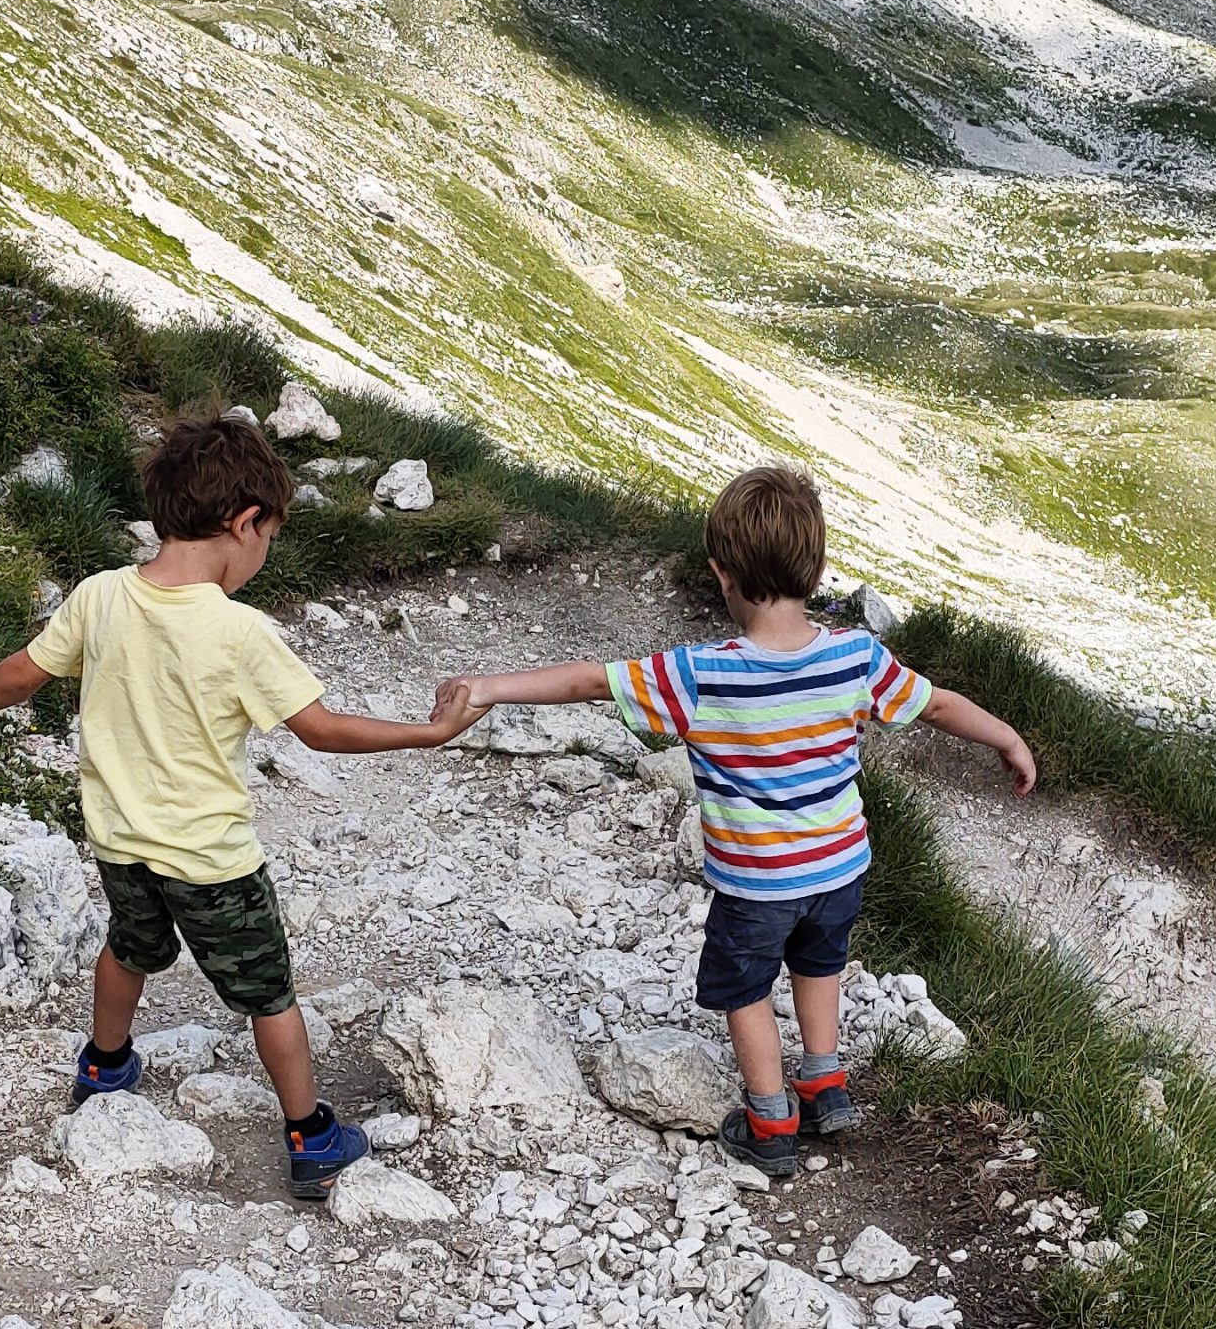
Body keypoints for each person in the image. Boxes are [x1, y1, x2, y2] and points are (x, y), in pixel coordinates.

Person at [433, 462, 1036, 1179]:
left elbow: (591, 679)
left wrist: (491, 688)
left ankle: (770, 1119)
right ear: (816, 571)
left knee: (746, 990)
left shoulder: (700, 672)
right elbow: (935, 704)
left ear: (721, 572)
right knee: (821, 963)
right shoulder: (856, 655)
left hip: (756, 883)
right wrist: (1005, 735)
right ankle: (824, 1081)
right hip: (840, 866)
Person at [0, 414, 478, 1200]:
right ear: (245, 522)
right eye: (269, 537)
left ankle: (103, 1065)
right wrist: (428, 735)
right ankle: (310, 1136)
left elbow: (24, 673)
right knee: (269, 994)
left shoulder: (99, 597)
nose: (263, 554)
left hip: (120, 842)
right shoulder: (238, 631)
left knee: (130, 947)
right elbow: (321, 729)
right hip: (213, 863)